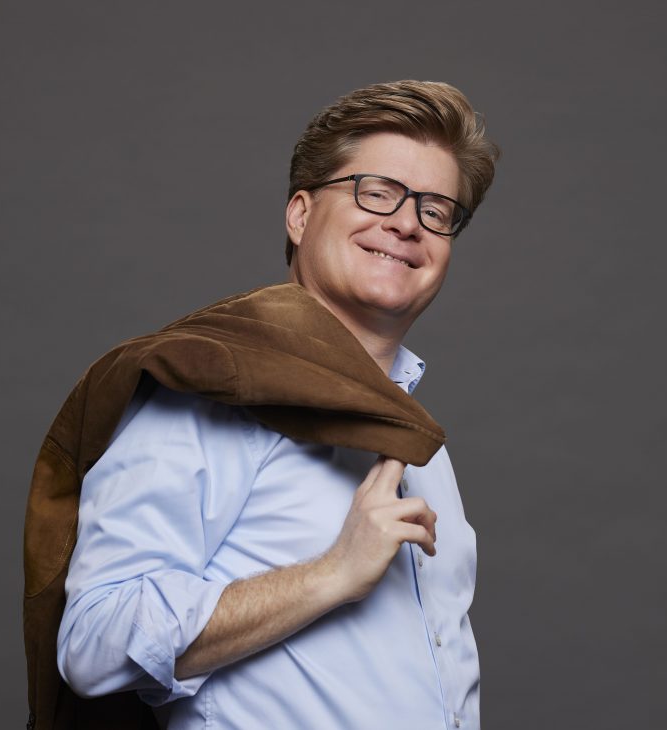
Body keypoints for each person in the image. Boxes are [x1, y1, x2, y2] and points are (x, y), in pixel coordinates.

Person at [38, 80, 499, 729]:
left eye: (436, 209)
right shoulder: (213, 390)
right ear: (300, 215)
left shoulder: (423, 447)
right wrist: (331, 574)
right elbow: (93, 644)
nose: (406, 223)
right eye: (377, 192)